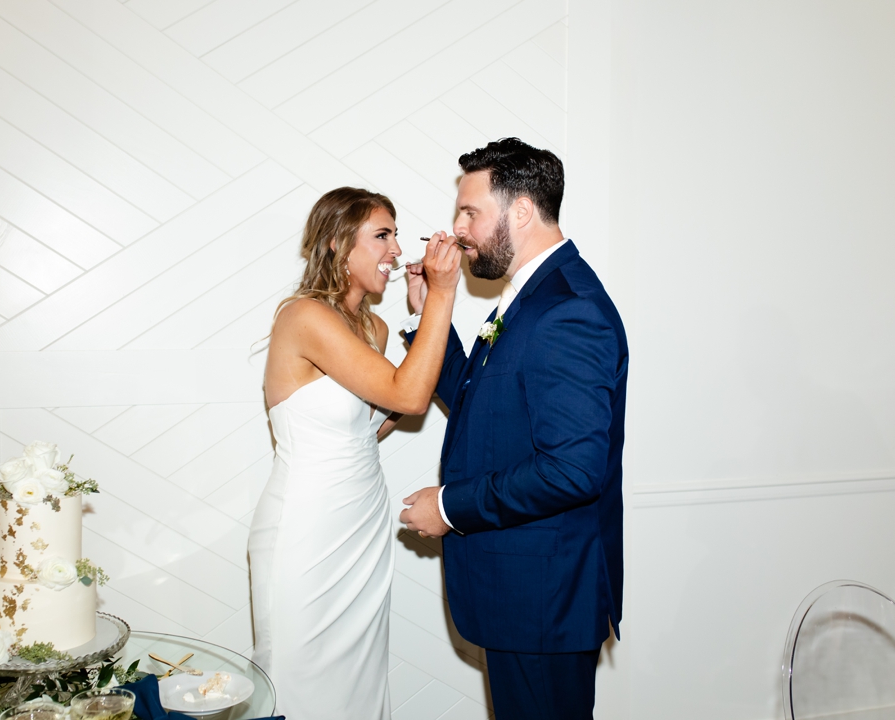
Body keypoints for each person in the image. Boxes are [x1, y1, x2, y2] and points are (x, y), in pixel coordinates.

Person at [399, 138, 629, 719]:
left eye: (470, 211)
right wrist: (430, 312)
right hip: (524, 596)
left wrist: (450, 507)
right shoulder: (530, 298)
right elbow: (478, 404)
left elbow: (573, 471)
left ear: (522, 211)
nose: (458, 229)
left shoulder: (566, 310)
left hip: (543, 600)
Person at [248, 187, 463, 719]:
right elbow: (409, 394)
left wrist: (418, 316)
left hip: (363, 527)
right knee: (299, 685)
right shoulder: (303, 317)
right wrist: (443, 293)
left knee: (359, 690)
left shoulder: (375, 327)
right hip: (307, 529)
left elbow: (373, 423)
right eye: (382, 235)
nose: (395, 250)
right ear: (338, 245)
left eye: (395, 235)